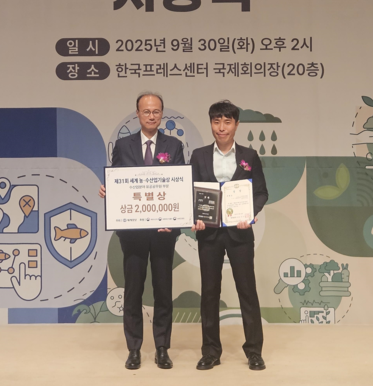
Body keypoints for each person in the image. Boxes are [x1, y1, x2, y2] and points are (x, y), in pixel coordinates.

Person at [99, 92, 184, 370]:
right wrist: (108, 190)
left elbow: (179, 185)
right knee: (133, 291)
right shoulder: (123, 145)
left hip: (163, 231)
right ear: (137, 113)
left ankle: (162, 347)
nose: (151, 116)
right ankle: (134, 349)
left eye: (156, 111)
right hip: (133, 232)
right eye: (146, 111)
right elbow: (117, 179)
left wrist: (175, 216)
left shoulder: (174, 145)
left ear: (162, 114)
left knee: (163, 290)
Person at [190, 100, 268, 371]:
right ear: (211, 124)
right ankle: (211, 351)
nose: (221, 127)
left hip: (240, 233)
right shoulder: (198, 155)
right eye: (216, 122)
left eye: (227, 122)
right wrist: (195, 217)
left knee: (247, 291)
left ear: (236, 124)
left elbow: (261, 192)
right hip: (209, 234)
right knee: (209, 293)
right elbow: (190, 192)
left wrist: (251, 213)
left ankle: (254, 351)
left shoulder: (250, 155)